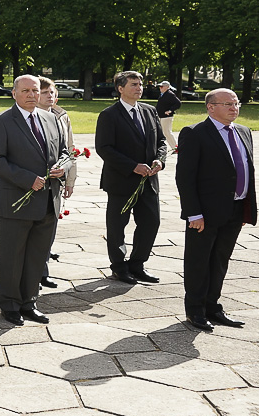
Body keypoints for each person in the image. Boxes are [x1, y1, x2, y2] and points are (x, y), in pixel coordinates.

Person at [0, 75, 71, 326]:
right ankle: (10, 304)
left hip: (48, 202)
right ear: (14, 93)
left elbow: (65, 152)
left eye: (35, 90)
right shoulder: (1, 121)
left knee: (37, 256)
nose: (32, 95)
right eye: (26, 90)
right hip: (16, 202)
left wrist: (62, 167)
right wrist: (27, 179)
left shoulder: (51, 118)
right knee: (12, 257)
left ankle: (29, 302)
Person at [176, 89, 256, 331]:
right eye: (228, 104)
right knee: (199, 262)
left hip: (235, 209)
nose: (234, 108)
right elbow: (185, 177)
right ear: (211, 107)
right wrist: (194, 213)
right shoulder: (194, 133)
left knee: (220, 261)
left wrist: (245, 207)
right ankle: (196, 311)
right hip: (205, 213)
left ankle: (213, 306)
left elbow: (245, 170)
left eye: (236, 103)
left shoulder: (244, 132)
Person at [94, 70, 168, 285]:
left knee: (151, 223)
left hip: (149, 181)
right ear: (120, 88)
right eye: (134, 84)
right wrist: (132, 166)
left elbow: (161, 141)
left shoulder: (150, 111)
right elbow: (104, 148)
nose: (139, 88)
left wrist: (160, 160)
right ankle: (118, 266)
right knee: (117, 226)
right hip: (121, 182)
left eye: (140, 84)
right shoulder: (109, 115)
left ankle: (138, 264)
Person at [37, 77, 77, 288]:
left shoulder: (62, 117)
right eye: (44, 93)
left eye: (52, 92)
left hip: (55, 182)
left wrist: (69, 179)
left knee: (49, 229)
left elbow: (70, 149)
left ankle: (43, 272)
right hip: (33, 183)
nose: (49, 96)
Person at [156, 80, 182, 152]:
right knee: (163, 132)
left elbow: (178, 103)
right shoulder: (162, 94)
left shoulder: (170, 94)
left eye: (161, 86)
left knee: (167, 132)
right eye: (160, 87)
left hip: (166, 117)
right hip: (161, 116)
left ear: (167, 87)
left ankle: (176, 147)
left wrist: (170, 110)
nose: (160, 88)